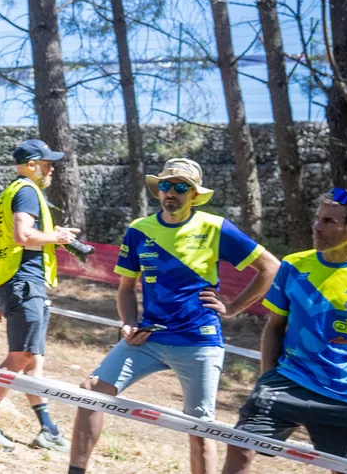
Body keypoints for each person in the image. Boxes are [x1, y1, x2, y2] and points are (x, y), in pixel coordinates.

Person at [68, 158, 280, 474]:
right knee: (91, 391)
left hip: (199, 342)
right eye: (166, 185)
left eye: (181, 187)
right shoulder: (139, 231)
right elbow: (126, 289)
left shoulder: (215, 227)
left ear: (194, 194)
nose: (172, 192)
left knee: (200, 428)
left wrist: (233, 308)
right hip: (147, 339)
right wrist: (127, 323)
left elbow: (270, 267)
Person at [222, 189, 347, 472]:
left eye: (329, 221)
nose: (316, 227)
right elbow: (274, 327)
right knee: (240, 444)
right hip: (287, 381)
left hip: (344, 395)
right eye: (317, 218)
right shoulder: (293, 265)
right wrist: (267, 379)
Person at [0, 139, 78, 452]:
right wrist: (59, 237)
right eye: (48, 163)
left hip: (13, 281)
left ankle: (47, 429)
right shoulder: (26, 191)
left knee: (33, 359)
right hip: (25, 282)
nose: (52, 168)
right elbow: (22, 235)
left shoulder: (10, 191)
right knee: (21, 356)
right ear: (33, 164)